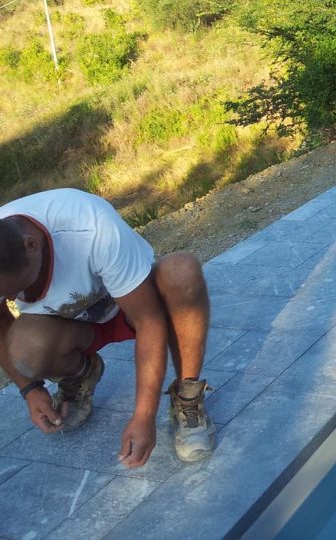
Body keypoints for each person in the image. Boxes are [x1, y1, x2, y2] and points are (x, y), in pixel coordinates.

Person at [0, 188, 215, 466]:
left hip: (130, 306)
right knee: (26, 350)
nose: (16, 297)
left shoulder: (90, 226)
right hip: (70, 326)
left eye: (18, 287)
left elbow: (148, 321)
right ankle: (80, 373)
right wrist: (30, 389)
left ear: (31, 245)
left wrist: (144, 415)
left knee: (181, 271)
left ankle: (187, 395)